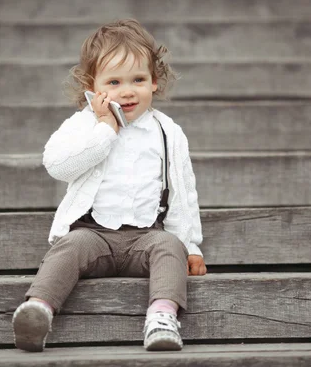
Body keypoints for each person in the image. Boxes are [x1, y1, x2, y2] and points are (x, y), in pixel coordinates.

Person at [12, 18, 206, 352]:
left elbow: (182, 192)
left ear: (155, 82)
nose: (127, 90)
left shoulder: (167, 131)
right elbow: (57, 165)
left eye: (138, 79)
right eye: (114, 81)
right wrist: (105, 129)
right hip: (94, 234)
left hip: (146, 236)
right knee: (69, 248)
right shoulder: (84, 124)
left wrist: (191, 245)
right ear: (93, 85)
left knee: (169, 247)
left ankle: (161, 317)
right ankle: (38, 309)